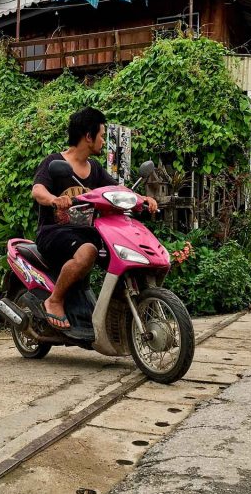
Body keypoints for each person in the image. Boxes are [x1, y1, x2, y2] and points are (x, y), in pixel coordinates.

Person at [32, 106, 158, 329]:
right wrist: (54, 200)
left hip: (85, 233)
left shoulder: (95, 169)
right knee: (88, 250)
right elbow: (38, 190)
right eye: (101, 135)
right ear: (88, 136)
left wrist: (141, 198)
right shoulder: (54, 162)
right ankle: (54, 300)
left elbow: (117, 190)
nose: (103, 140)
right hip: (54, 232)